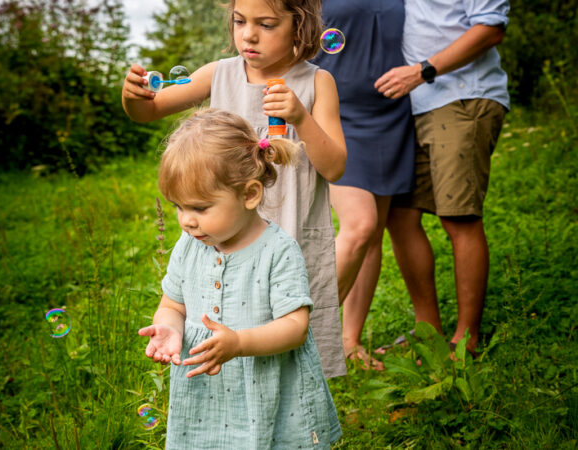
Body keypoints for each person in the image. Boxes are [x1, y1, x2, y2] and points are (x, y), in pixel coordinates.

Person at [122, 0, 347, 378]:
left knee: (287, 334)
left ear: (300, 26)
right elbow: (148, 110)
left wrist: (300, 118)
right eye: (240, 21)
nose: (248, 34)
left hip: (290, 234)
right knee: (229, 329)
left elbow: (336, 167)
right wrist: (133, 97)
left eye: (267, 24)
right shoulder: (220, 74)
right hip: (225, 238)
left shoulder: (316, 82)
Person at [138, 108, 341, 448]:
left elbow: (295, 326)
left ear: (249, 194)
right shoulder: (188, 247)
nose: (186, 221)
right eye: (178, 207)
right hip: (206, 389)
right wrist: (170, 327)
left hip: (267, 386)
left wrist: (240, 344)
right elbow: (172, 304)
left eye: (200, 208)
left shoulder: (277, 251)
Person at [374, 0, 510, 354]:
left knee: (458, 217)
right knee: (400, 217)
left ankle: (466, 341)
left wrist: (422, 71)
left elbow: (491, 28)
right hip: (414, 106)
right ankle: (427, 330)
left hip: (462, 97)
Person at [313, 1, 415, 370]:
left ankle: (348, 340)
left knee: (372, 238)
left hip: (391, 114)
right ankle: (302, 333)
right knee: (360, 226)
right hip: (335, 114)